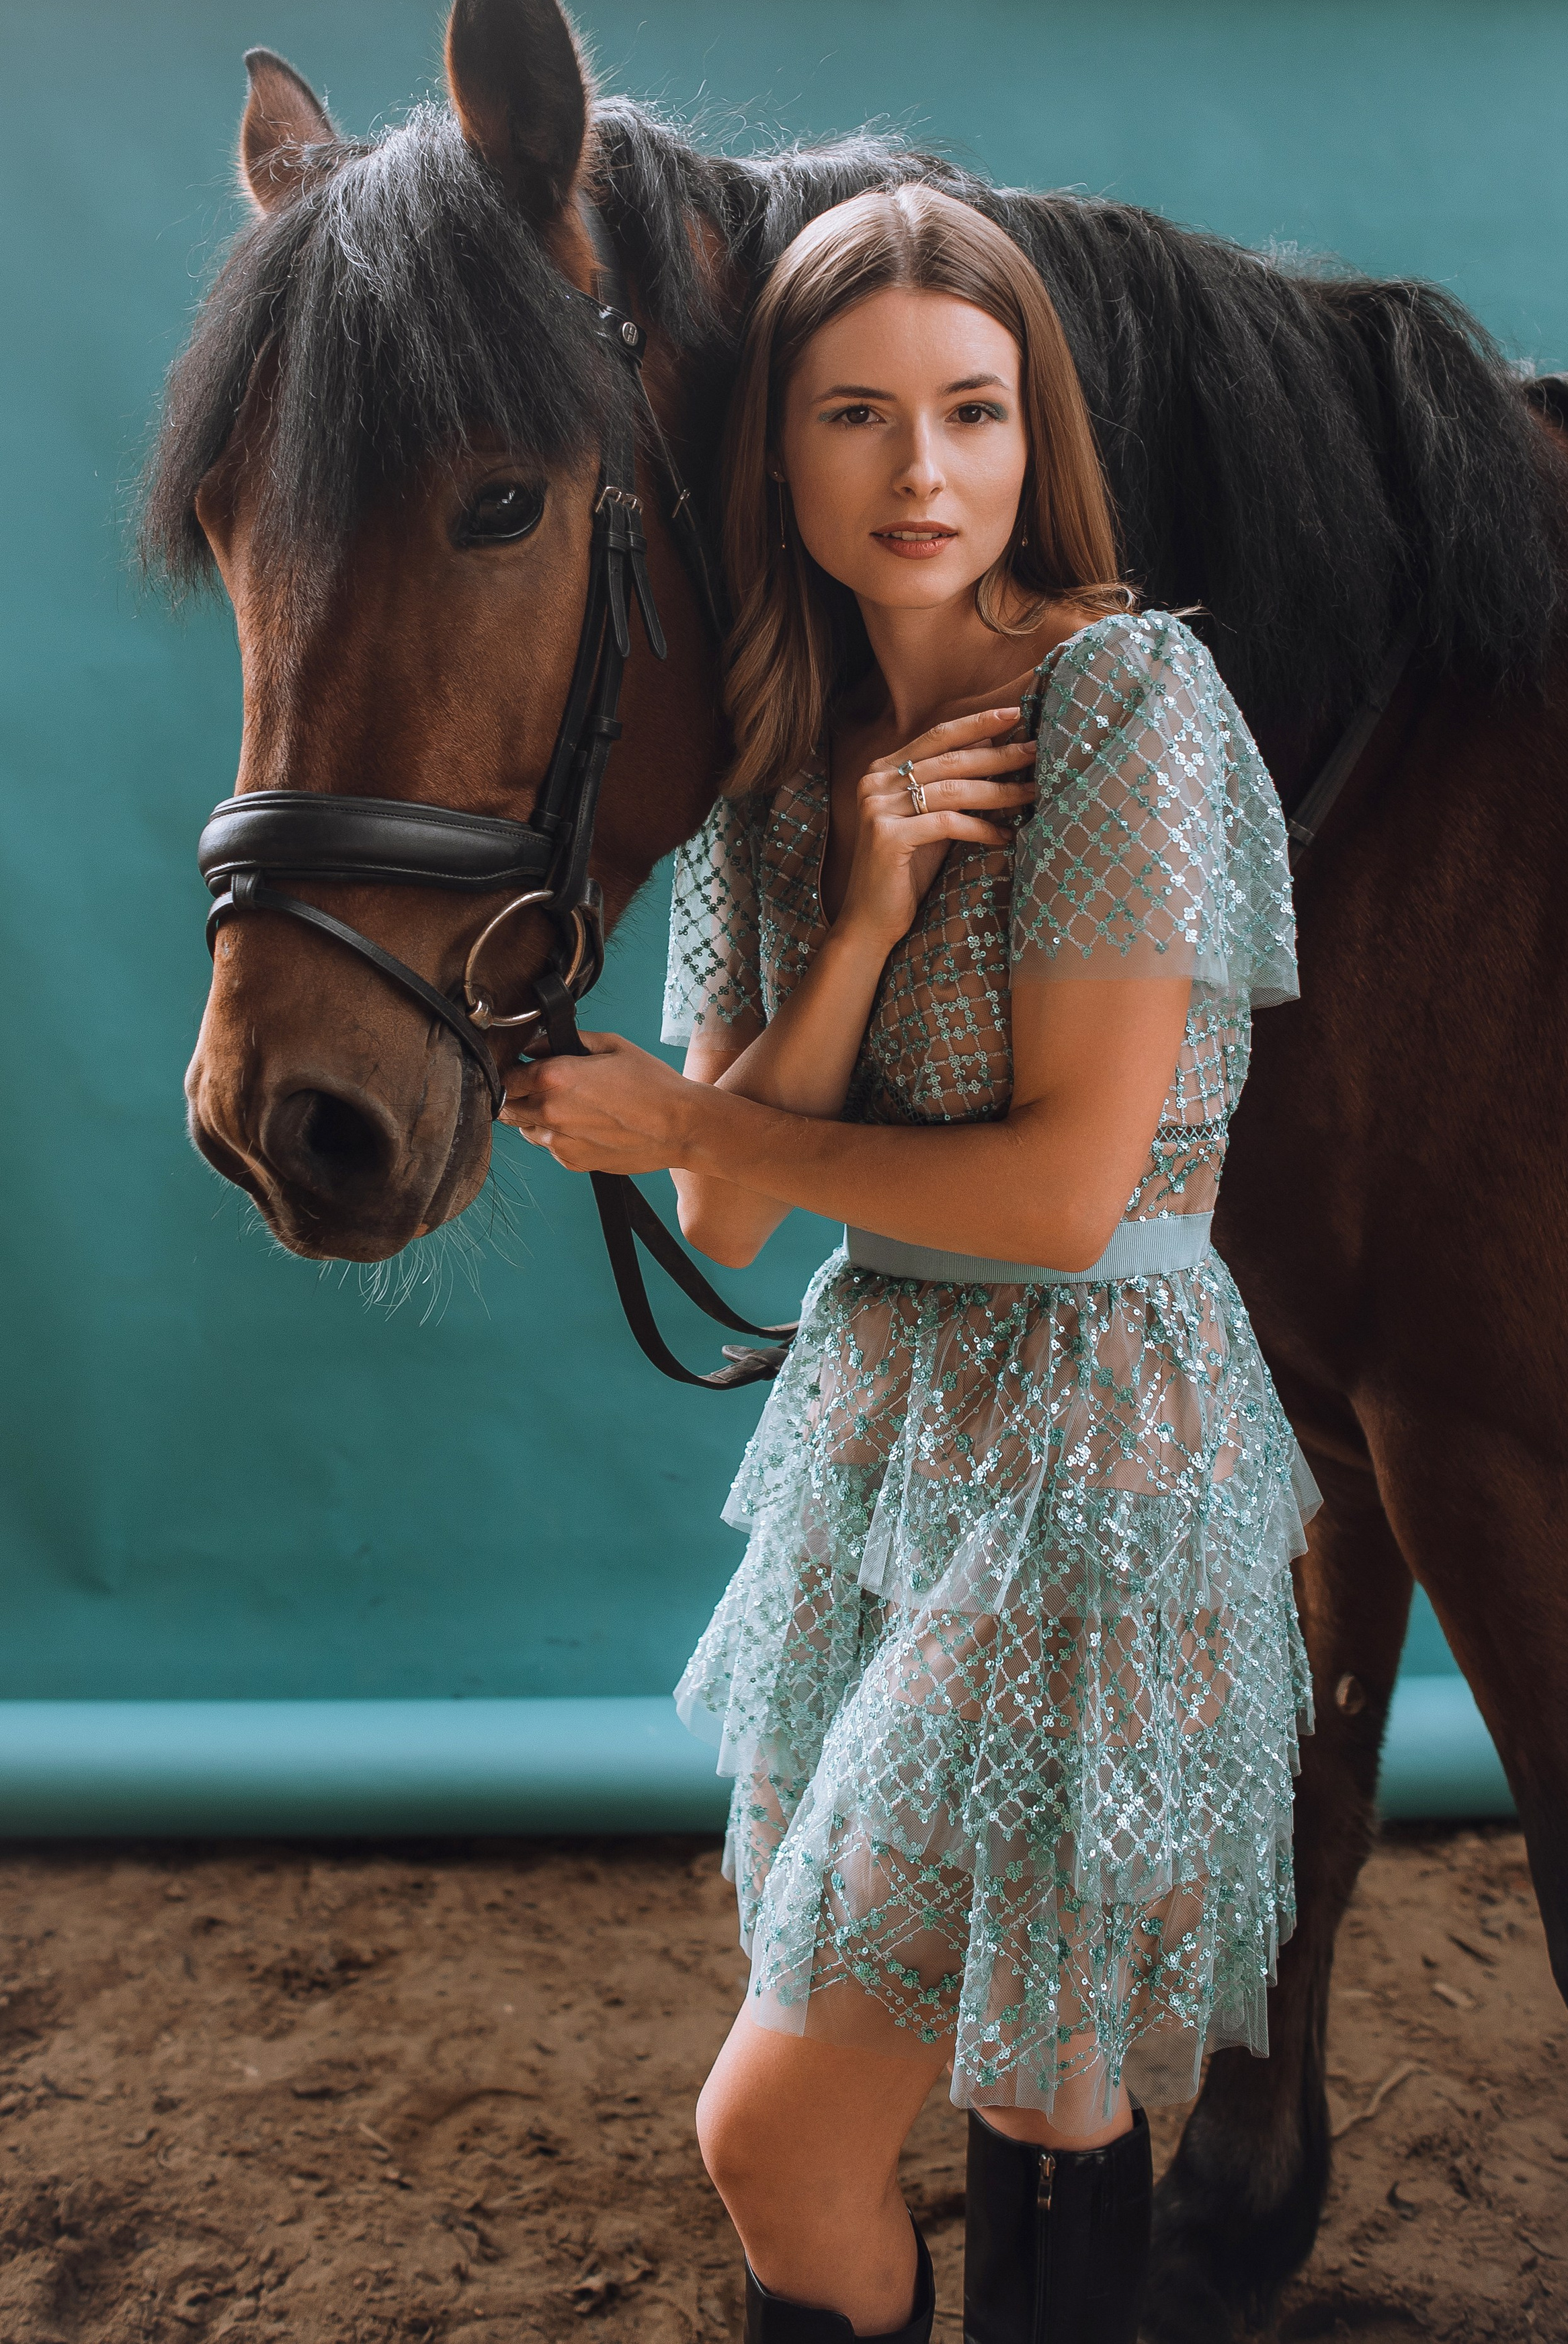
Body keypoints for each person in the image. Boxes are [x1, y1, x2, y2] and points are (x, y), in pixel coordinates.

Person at [501, 185, 1317, 2344]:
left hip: (1092, 1458)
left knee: (786, 2123)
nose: (926, 471)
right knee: (1027, 2063)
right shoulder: (778, 793)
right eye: (859, 417)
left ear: (1035, 433)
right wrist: (857, 912)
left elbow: (1067, 1205)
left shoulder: (1130, 700)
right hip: (878, 1441)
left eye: (973, 411)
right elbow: (730, 1225)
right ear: (776, 453)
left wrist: (691, 1110)